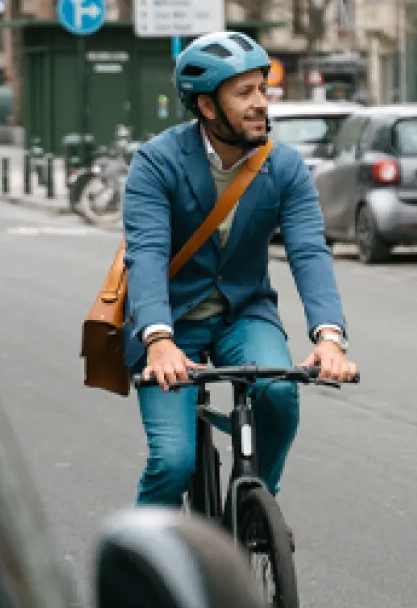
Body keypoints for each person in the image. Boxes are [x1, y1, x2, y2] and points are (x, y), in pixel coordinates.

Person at [122, 31, 359, 508]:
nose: (261, 104)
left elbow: (309, 251)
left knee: (278, 396)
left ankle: (255, 508)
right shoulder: (156, 163)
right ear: (208, 107)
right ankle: (141, 561)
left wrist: (329, 336)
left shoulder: (285, 167)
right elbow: (145, 252)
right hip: (172, 321)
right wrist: (159, 340)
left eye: (263, 90)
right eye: (244, 93)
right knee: (172, 463)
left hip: (244, 314)